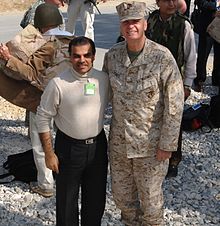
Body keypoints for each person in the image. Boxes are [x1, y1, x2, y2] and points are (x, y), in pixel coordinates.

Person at [103, 1, 184, 226]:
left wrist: (168, 144)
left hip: (150, 146)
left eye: (135, 21)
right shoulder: (112, 56)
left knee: (151, 203)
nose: (131, 26)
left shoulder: (162, 57)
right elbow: (101, 95)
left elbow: (175, 104)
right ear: (121, 26)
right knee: (123, 199)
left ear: (145, 24)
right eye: (126, 22)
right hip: (120, 145)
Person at [0, 3, 73, 197]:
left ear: (39, 24)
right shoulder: (73, 40)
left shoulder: (46, 44)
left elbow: (30, 73)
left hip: (44, 101)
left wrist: (8, 58)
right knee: (68, 140)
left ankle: (46, 185)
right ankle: (70, 178)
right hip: (71, 101)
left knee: (41, 144)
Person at [36, 36, 109, 226]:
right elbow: (43, 117)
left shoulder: (103, 79)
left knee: (95, 201)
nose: (82, 60)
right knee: (67, 202)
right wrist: (49, 154)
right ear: (70, 57)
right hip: (68, 148)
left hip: (98, 147)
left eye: (87, 55)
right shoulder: (58, 84)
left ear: (93, 56)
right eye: (77, 56)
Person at [146, 0, 196, 177]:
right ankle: (155, 155)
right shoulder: (150, 20)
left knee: (174, 120)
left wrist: (188, 83)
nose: (171, 3)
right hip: (152, 81)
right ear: (158, 2)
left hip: (175, 81)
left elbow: (190, 55)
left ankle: (174, 160)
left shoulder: (183, 25)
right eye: (166, 0)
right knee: (152, 118)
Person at [194, 0, 220, 92]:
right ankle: (200, 79)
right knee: (203, 54)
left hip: (219, 26)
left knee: (218, 55)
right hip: (207, 26)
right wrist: (215, 8)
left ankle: (216, 79)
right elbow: (201, 3)